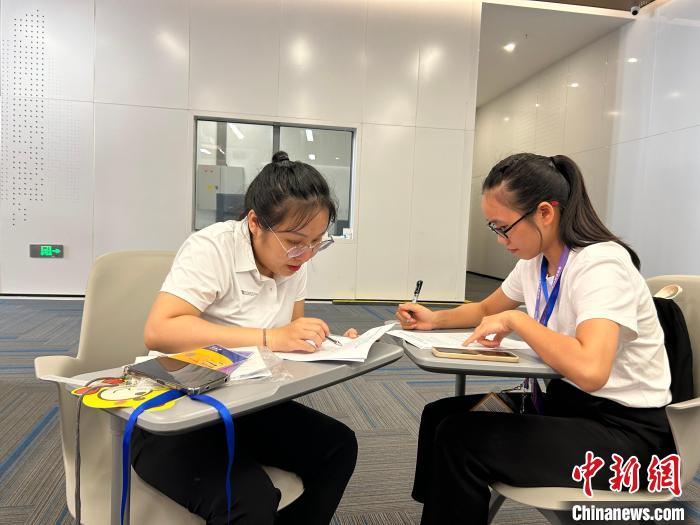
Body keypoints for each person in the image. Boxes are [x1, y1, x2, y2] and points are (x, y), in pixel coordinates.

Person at [396, 153, 675, 524]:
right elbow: (485, 309)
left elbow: (591, 370)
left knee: (460, 438)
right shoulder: (535, 262)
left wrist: (518, 320)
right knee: (439, 416)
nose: (501, 240)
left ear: (545, 212)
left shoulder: (601, 264)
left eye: (503, 227)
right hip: (561, 404)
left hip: (625, 435)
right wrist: (434, 319)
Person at [134, 151, 358, 524]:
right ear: (255, 222)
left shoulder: (293, 262)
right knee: (250, 500)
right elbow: (160, 330)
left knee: (338, 447)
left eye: (317, 242)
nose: (305, 254)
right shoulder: (212, 248)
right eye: (295, 241)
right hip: (179, 412)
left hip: (249, 405)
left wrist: (330, 342)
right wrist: (271, 337)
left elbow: (288, 340)